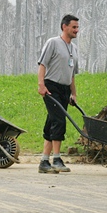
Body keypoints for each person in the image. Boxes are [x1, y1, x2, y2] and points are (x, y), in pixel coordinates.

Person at [36, 14, 79, 174]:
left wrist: (73, 93)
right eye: (73, 27)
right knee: (59, 120)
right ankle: (57, 158)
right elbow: (42, 64)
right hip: (51, 86)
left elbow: (72, 73)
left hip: (64, 89)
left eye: (77, 27)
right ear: (64, 27)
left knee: (52, 121)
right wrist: (41, 84)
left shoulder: (74, 49)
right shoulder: (53, 43)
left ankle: (44, 161)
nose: (76, 30)